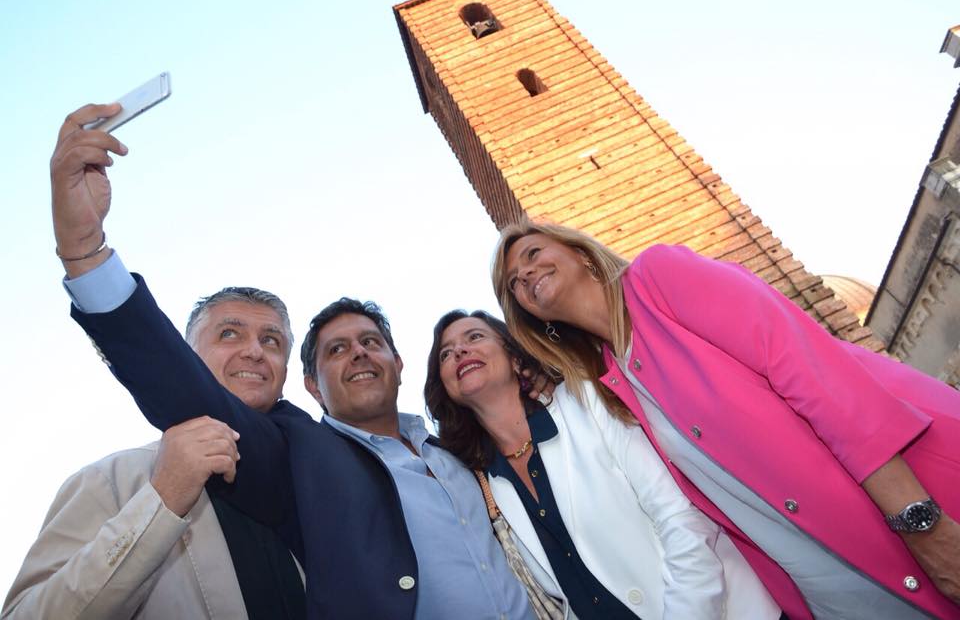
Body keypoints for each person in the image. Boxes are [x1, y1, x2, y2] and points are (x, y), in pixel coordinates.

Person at [49, 102, 540, 619]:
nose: (358, 353)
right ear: (308, 385)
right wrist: (85, 252)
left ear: (399, 363)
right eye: (336, 349)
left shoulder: (460, 451)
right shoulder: (299, 454)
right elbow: (185, 388)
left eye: (371, 343)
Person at [491, 218, 960, 620]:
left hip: (913, 518)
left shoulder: (659, 280)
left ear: (581, 254)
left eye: (533, 253)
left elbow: (813, 375)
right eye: (513, 281)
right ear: (532, 318)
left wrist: (921, 521)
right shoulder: (613, 386)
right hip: (835, 591)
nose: (526, 273)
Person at [425, 309, 783, 619]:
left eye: (474, 336)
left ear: (516, 358)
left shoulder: (585, 401)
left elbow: (682, 519)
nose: (459, 350)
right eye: (445, 354)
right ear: (446, 388)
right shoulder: (485, 483)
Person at [2, 286, 306, 620]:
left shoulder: (312, 486)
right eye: (230, 333)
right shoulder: (113, 479)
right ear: (185, 357)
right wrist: (163, 499)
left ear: (285, 372)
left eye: (271, 341)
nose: (254, 351)